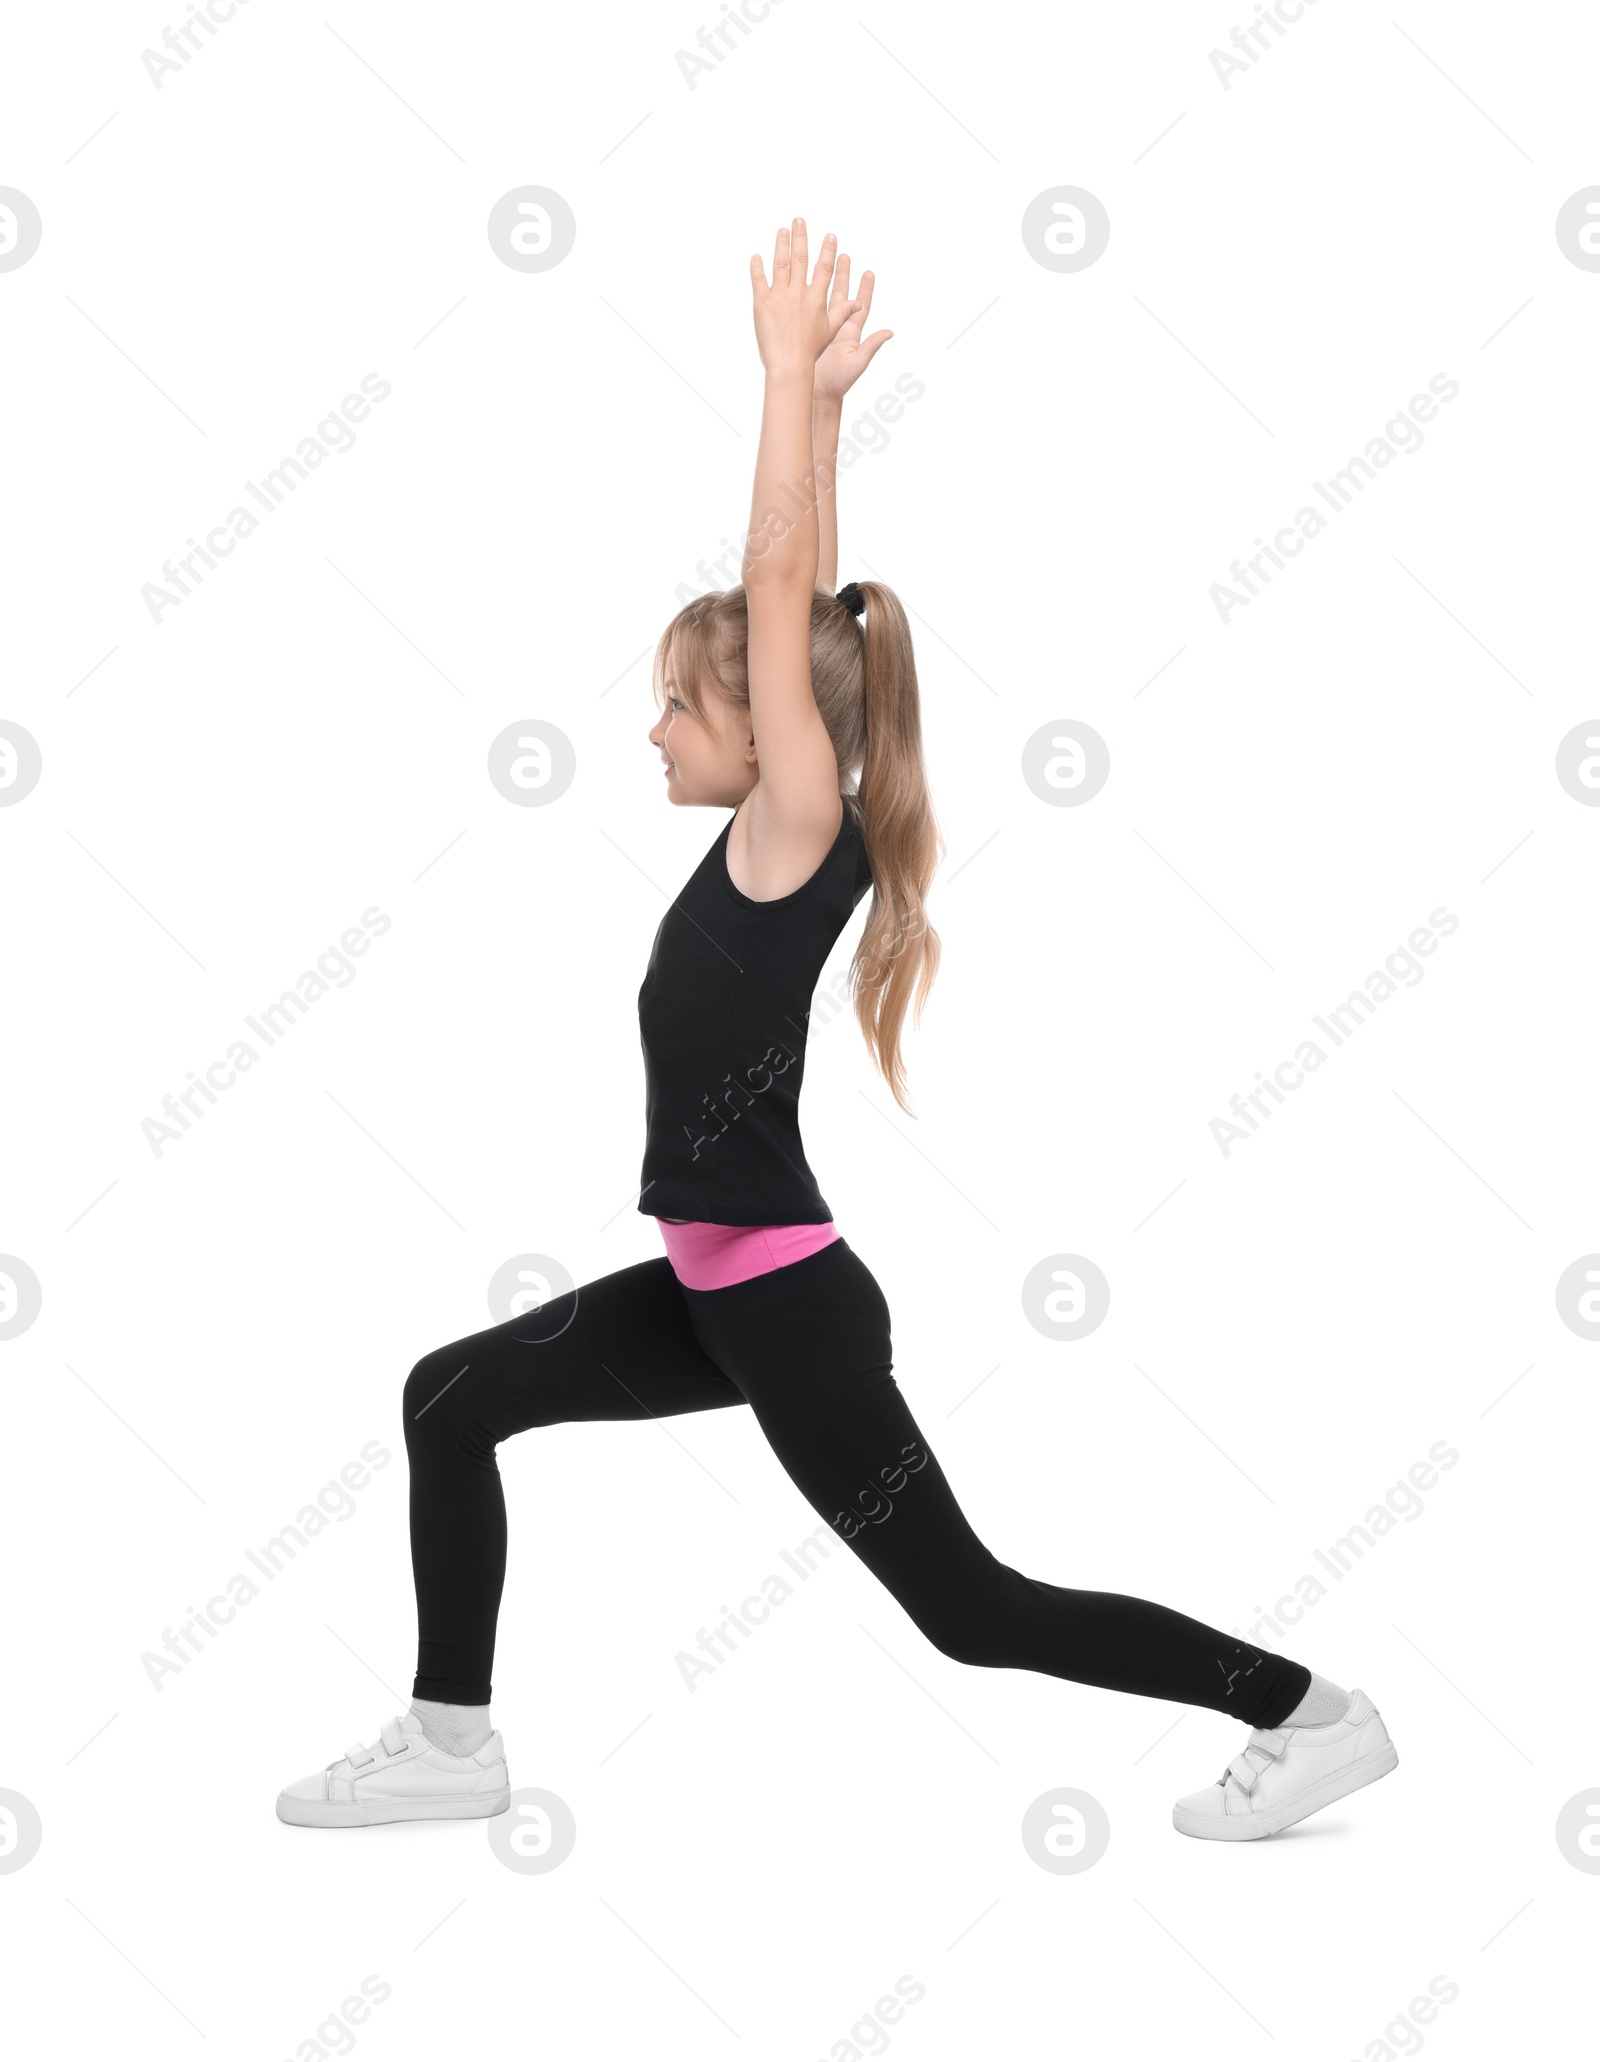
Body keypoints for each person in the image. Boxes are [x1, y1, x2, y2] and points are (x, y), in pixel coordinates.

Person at [276, 219, 1397, 1842]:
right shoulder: (779, 826)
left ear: (765, 731)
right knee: (452, 1396)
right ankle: (454, 1739)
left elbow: (786, 587)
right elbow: (807, 613)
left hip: (785, 1308)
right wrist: (827, 424)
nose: (653, 728)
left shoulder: (796, 826)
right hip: (715, 1293)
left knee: (973, 1608)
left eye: (677, 701)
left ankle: (1307, 1710)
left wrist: (782, 378)